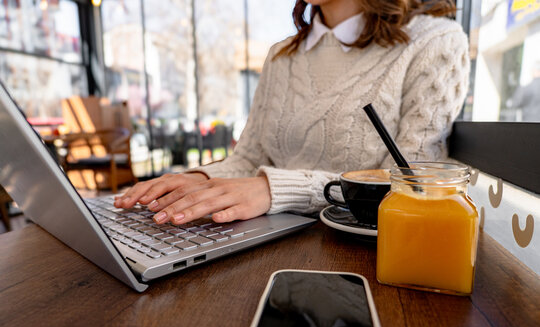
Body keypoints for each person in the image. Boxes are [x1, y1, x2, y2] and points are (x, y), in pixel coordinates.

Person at [115, 0, 470, 226]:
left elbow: (413, 184)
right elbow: (250, 158)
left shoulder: (435, 41)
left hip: (363, 252)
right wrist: (201, 180)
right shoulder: (280, 55)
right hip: (264, 237)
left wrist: (274, 189)